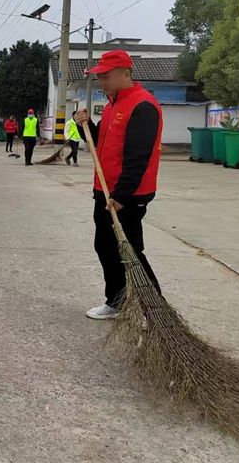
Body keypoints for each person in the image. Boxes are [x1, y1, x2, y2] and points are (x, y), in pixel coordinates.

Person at [74, 50, 163, 320]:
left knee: (131, 250)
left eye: (106, 75)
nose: (102, 81)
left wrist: (122, 194)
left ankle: (155, 311)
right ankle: (116, 301)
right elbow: (103, 143)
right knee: (105, 245)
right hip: (104, 189)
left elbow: (138, 156)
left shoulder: (143, 106)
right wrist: (85, 126)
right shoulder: (113, 104)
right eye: (99, 76)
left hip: (128, 194)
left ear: (125, 73)